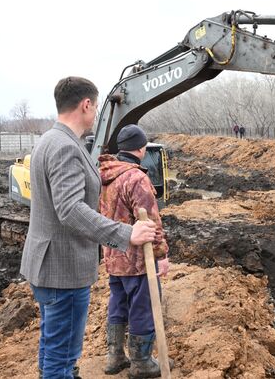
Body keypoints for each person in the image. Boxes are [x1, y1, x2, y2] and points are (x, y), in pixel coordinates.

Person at [19, 76, 157, 379]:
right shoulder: (65, 147)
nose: (96, 114)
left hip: (47, 264)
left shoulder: (49, 140)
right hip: (62, 269)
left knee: (52, 348)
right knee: (61, 357)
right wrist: (126, 233)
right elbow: (70, 210)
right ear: (85, 105)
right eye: (95, 107)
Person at [98, 125, 171, 378]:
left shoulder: (104, 174)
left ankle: (115, 356)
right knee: (143, 307)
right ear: (141, 148)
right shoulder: (136, 178)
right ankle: (141, 362)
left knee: (118, 302)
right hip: (138, 260)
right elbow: (151, 223)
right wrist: (161, 256)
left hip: (112, 255)